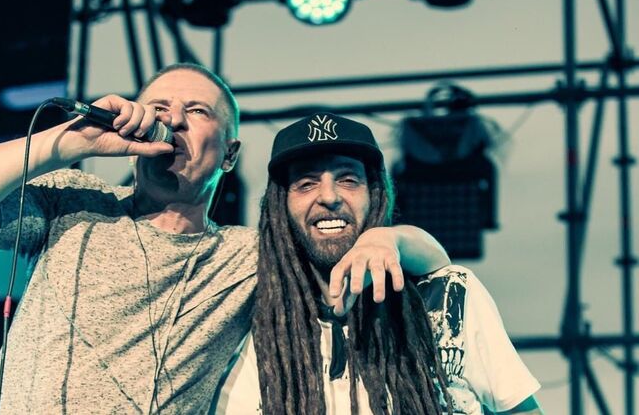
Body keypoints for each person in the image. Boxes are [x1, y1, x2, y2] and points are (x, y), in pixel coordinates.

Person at [0, 63, 448, 414]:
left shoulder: (250, 254)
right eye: (160, 109)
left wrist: (389, 239)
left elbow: (439, 266)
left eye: (197, 111)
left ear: (229, 155)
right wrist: (71, 141)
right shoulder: (74, 203)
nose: (174, 121)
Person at [213, 113, 543, 414]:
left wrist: (393, 239)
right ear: (280, 206)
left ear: (374, 195)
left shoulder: (448, 295)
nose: (329, 197)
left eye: (348, 180)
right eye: (306, 183)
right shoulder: (250, 328)